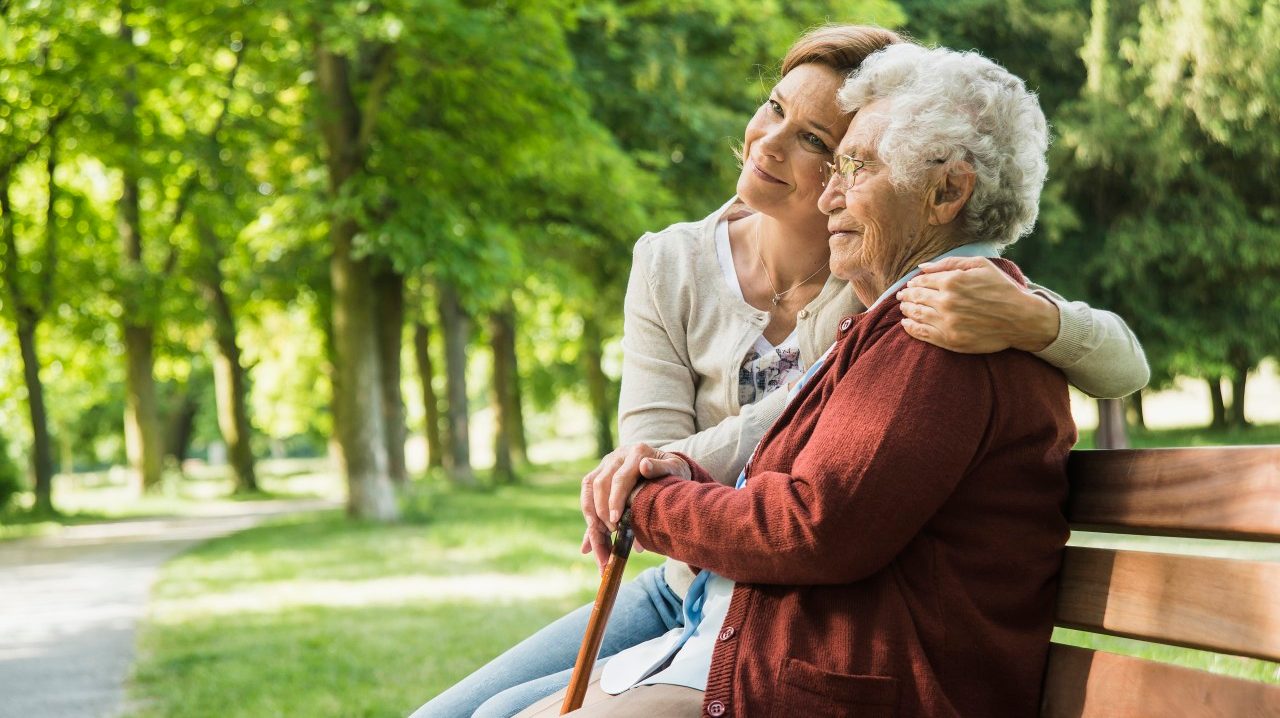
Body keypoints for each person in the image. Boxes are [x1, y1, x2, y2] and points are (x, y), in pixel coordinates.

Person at [409, 25, 1147, 718]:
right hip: (706, 591)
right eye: (776, 110)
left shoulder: (945, 313)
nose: (823, 185)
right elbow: (774, 475)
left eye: (843, 160)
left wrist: (648, 496)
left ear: (947, 193)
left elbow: (815, 523)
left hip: (785, 628)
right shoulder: (850, 294)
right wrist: (654, 478)